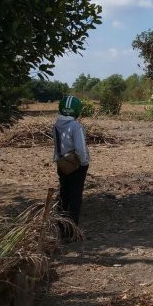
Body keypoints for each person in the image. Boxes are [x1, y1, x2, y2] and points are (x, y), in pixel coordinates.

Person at [53, 95, 90, 237]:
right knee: (75, 198)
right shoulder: (76, 126)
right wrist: (84, 163)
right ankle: (72, 232)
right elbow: (80, 149)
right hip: (76, 166)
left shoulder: (56, 125)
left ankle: (61, 227)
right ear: (77, 111)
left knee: (64, 195)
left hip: (61, 164)